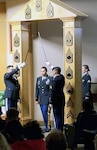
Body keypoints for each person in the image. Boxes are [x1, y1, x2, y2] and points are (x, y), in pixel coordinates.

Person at [35, 66, 52, 132]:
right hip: (41, 98)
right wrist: (36, 98)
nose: (42, 72)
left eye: (43, 71)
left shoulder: (49, 78)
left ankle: (48, 126)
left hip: (46, 97)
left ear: (46, 71)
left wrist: (50, 99)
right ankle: (46, 126)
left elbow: (50, 89)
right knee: (43, 112)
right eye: (41, 71)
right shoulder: (38, 79)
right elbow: (37, 89)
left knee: (45, 112)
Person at [51, 67, 65, 131]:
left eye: (53, 71)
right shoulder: (61, 77)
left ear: (55, 72)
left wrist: (50, 100)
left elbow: (53, 90)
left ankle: (58, 129)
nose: (52, 73)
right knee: (60, 115)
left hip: (56, 100)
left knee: (57, 116)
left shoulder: (56, 79)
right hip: (60, 99)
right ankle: (60, 128)